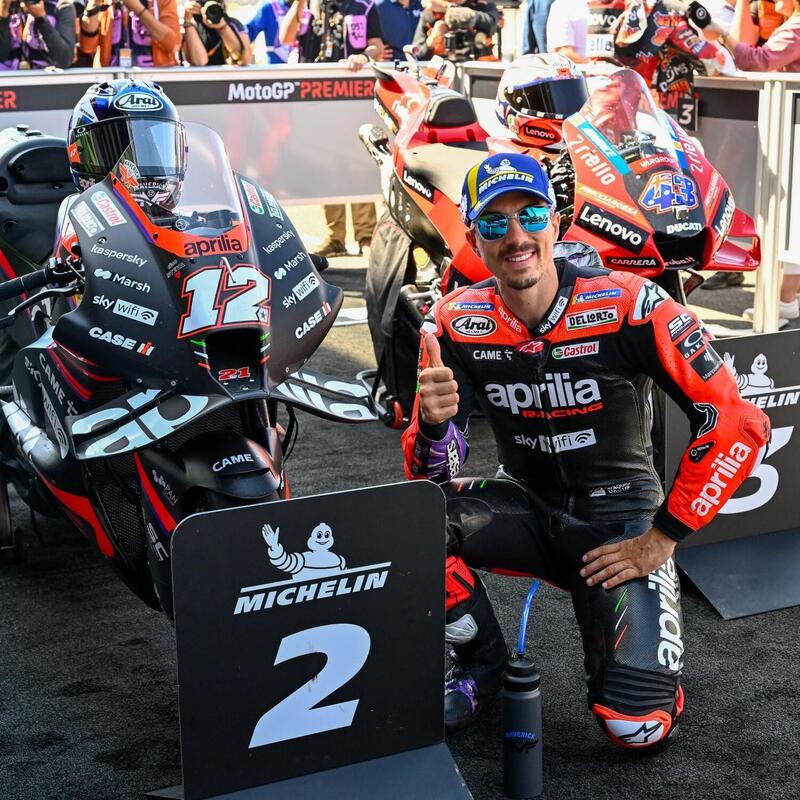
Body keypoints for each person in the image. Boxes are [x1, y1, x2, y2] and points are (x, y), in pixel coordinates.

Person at [402, 152, 771, 742]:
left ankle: (644, 663)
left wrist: (663, 537)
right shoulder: (452, 321)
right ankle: (481, 667)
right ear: (472, 238)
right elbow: (430, 477)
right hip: (525, 508)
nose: (515, 237)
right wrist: (433, 426)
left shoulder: (634, 305)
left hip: (618, 525)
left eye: (531, 215)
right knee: (409, 521)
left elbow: (738, 421)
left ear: (556, 221)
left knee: (636, 728)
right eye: (494, 223)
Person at [279, 0, 385, 257]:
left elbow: (377, 46)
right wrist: (299, 5)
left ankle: (365, 235)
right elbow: (285, 38)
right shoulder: (306, 6)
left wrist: (363, 56)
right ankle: (334, 237)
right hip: (315, 100)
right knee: (326, 163)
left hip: (351, 97)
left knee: (356, 161)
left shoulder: (364, 6)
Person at [78, 0, 180, 66]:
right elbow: (87, 47)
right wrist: (93, 6)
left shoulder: (162, 2)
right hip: (111, 80)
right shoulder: (106, 3)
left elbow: (173, 44)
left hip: (153, 80)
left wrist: (137, 8)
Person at [411, 0, 499, 61]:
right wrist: (431, 40)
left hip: (478, 74)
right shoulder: (431, 12)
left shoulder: (483, 5)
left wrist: (449, 9)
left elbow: (491, 25)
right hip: (442, 76)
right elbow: (416, 56)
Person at [0, 0, 75, 69]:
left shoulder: (61, 7)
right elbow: (2, 55)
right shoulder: (8, 5)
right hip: (9, 76)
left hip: (46, 76)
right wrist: (3, 13)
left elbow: (64, 60)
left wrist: (41, 19)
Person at [183, 0, 252, 65]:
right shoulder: (192, 25)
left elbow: (245, 60)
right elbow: (200, 61)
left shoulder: (232, 24)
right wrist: (187, 22)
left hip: (226, 73)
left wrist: (223, 28)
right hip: (201, 74)